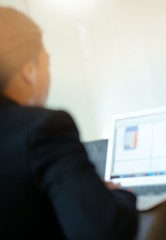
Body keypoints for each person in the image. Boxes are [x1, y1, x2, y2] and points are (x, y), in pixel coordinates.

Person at [0, 6, 138, 239]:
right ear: (30, 71)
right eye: (47, 64)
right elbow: (108, 229)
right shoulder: (44, 128)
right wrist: (120, 194)